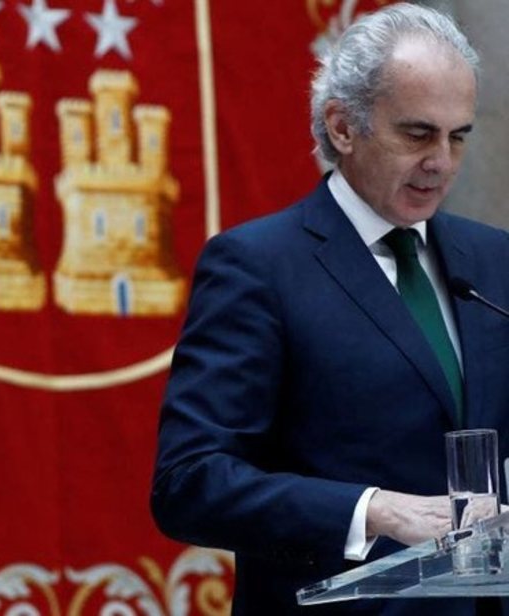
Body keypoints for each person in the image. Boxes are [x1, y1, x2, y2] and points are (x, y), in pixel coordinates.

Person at [151, 4, 509, 614]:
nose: (442, 162)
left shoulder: (494, 259)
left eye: (459, 136)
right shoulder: (259, 266)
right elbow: (191, 483)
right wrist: (375, 510)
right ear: (343, 127)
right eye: (418, 134)